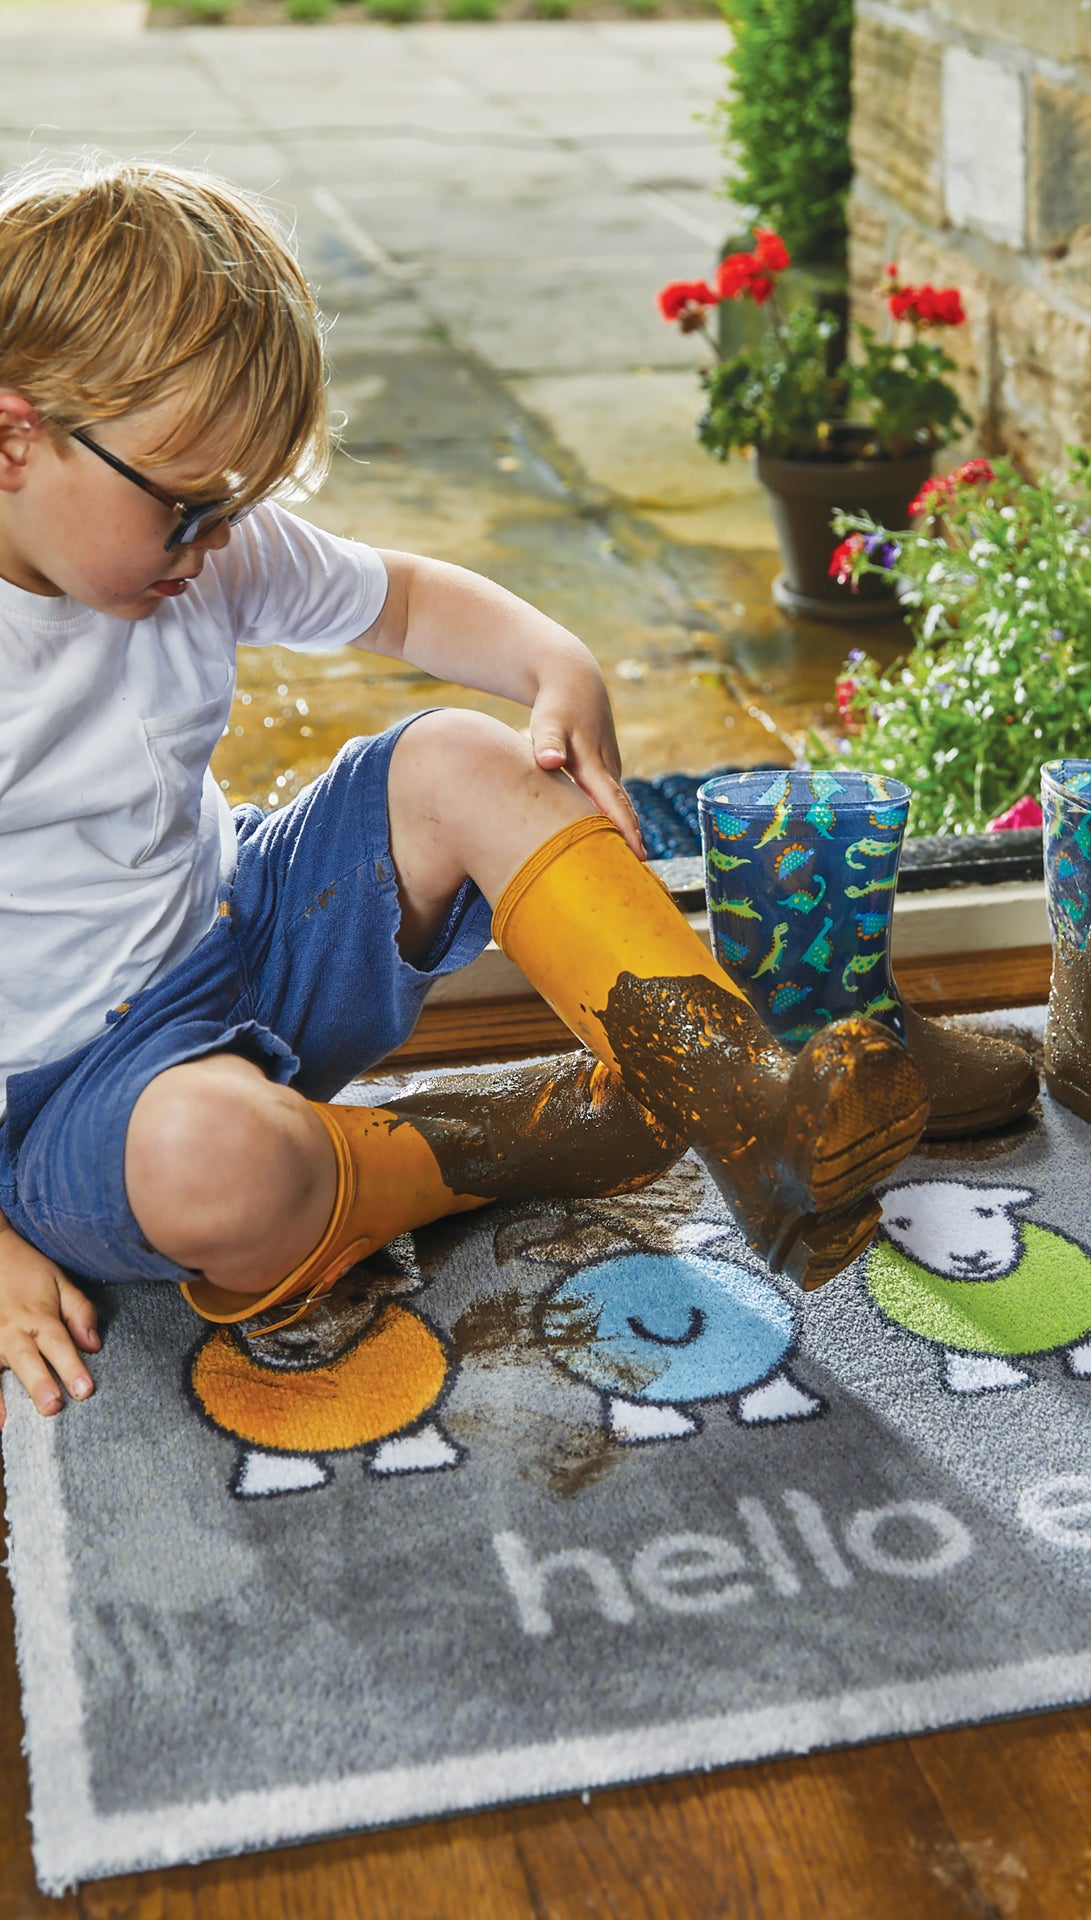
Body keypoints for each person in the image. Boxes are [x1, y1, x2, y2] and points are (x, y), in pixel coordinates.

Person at [0, 158, 931, 1425]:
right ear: (15, 435)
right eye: (187, 511)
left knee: (458, 756)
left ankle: (739, 1099)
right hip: (70, 1108)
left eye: (236, 509)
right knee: (209, 1164)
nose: (216, 545)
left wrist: (556, 660)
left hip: (238, 942)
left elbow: (407, 598)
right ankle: (509, 1139)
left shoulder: (190, 544)